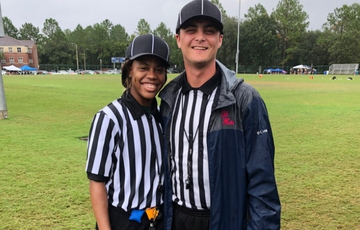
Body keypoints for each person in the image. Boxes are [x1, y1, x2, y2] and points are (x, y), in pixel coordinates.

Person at [158, 0, 281, 229]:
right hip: (175, 219)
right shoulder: (167, 100)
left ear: (220, 39)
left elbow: (262, 185)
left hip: (223, 221)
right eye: (191, 30)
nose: (200, 37)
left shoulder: (245, 100)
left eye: (210, 31)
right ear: (178, 39)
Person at [85, 33, 170, 230]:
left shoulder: (163, 116)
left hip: (158, 218)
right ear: (129, 70)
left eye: (159, 69)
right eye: (143, 68)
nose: (152, 75)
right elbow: (97, 183)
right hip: (125, 221)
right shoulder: (109, 118)